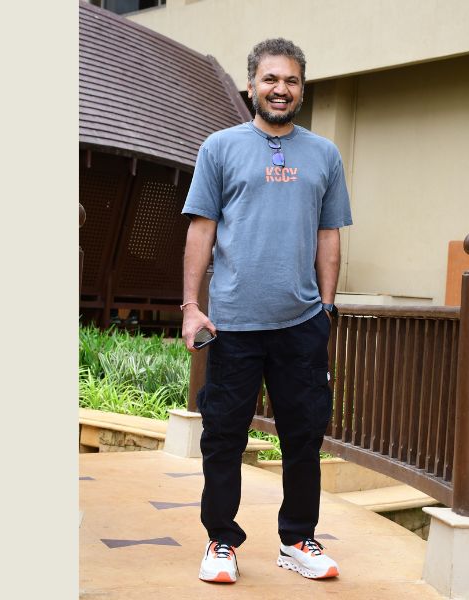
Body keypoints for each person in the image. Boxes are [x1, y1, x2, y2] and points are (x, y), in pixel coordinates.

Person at [179, 38, 353, 584]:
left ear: (302, 88)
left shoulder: (324, 154)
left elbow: (329, 234)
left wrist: (325, 307)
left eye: (292, 80)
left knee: (304, 436)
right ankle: (220, 541)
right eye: (271, 79)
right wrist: (191, 306)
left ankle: (297, 539)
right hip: (232, 323)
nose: (281, 89)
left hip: (300, 323)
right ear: (251, 84)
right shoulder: (220, 148)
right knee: (223, 435)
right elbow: (201, 229)